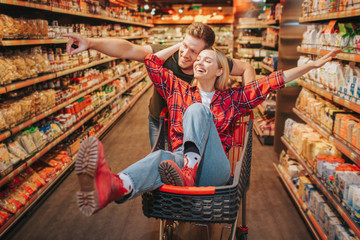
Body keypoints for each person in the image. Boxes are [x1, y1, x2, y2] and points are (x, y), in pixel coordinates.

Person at [74, 41, 341, 217]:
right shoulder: (177, 89)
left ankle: (188, 169)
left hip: (215, 169)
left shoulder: (232, 99)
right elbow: (152, 62)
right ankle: (115, 186)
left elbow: (272, 82)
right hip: (178, 168)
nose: (199, 62)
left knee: (197, 110)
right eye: (197, 58)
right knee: (159, 158)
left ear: (219, 71)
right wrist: (183, 45)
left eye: (207, 60)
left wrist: (311, 66)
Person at [64, 22, 256, 148]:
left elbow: (247, 67)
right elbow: (128, 49)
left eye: (194, 51)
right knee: (162, 166)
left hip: (195, 128)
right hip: (160, 122)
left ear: (207, 53)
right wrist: (90, 42)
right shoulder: (166, 55)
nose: (186, 54)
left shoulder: (214, 62)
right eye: (185, 46)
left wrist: (248, 101)